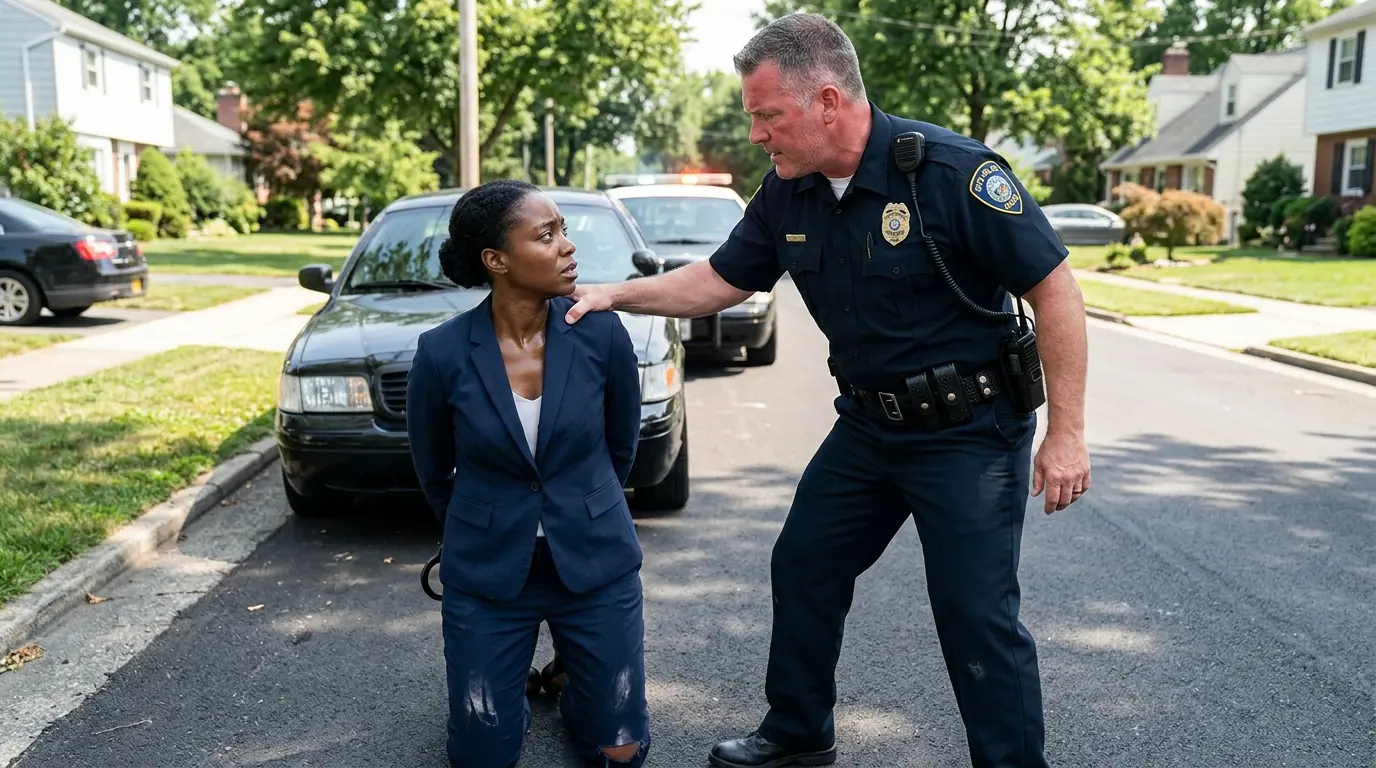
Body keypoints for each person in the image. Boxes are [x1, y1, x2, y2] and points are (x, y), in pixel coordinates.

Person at [564, 13, 1091, 768]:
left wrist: (1066, 433)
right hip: (869, 430)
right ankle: (798, 732)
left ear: (828, 102)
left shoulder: (951, 173)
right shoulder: (788, 191)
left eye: (768, 116)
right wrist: (615, 295)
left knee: (976, 616)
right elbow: (718, 280)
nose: (756, 134)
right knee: (804, 565)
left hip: (968, 431)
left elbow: (1054, 289)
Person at [406, 179, 651, 768]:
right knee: (482, 757)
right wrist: (486, 526)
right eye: (546, 235)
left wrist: (580, 506)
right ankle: (514, 682)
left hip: (593, 561)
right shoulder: (441, 353)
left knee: (619, 753)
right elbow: (434, 470)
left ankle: (573, 686)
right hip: (490, 573)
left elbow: (620, 446)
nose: (567, 245)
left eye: (563, 230)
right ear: (497, 260)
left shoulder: (601, 333)